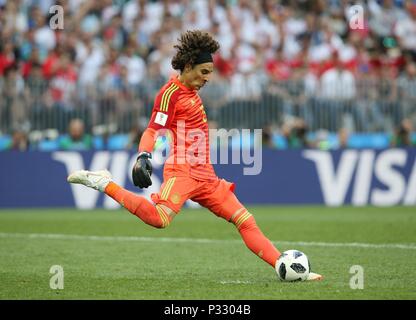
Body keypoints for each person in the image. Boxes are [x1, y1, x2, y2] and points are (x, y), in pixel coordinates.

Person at [67, 30, 322, 281]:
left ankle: (282, 265)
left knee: (245, 220)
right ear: (189, 66)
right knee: (159, 219)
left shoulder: (191, 90)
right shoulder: (170, 94)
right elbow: (153, 129)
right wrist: (143, 155)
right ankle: (104, 182)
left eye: (210, 72)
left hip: (207, 177)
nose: (208, 78)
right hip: (183, 171)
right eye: (204, 72)